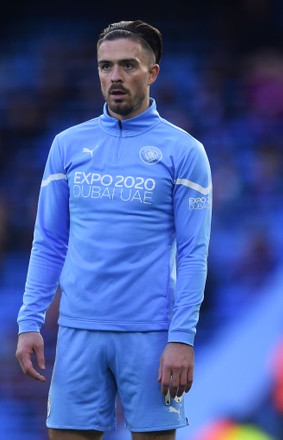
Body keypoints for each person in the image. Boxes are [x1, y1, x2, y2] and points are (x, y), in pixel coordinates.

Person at [15, 19, 213, 440]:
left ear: (152, 72)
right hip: (78, 331)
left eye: (128, 66)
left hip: (150, 334)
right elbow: (49, 242)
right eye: (105, 67)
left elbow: (194, 252)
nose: (115, 77)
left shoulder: (184, 151)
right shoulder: (68, 145)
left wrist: (182, 338)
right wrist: (29, 321)